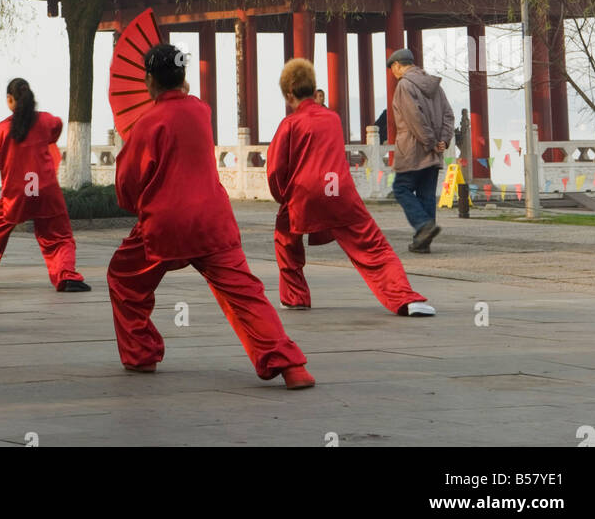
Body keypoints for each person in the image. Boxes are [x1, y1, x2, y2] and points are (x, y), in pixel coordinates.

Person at [107, 43, 315, 389]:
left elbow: (127, 182)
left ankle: (141, 354)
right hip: (212, 221)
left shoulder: (147, 123)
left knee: (123, 277)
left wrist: (136, 206)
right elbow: (185, 104)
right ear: (183, 78)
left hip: (165, 225)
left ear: (148, 80)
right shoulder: (200, 111)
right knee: (244, 294)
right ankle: (292, 366)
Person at [267, 58, 435, 317]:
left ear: (289, 93)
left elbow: (277, 168)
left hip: (303, 192)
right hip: (338, 190)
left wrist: (283, 197)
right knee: (372, 245)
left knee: (286, 239)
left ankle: (295, 297)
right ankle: (406, 299)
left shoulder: (289, 124)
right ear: (314, 90)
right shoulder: (332, 118)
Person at [0, 78, 90, 293]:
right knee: (59, 236)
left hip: (16, 195)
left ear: (10, 100)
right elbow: (57, 126)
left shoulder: (2, 130)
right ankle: (66, 276)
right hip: (46, 191)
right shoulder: (45, 121)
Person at [387, 48, 455, 252]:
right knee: (426, 193)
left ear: (398, 65)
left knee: (401, 188)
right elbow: (448, 115)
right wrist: (443, 140)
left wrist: (431, 141)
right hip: (433, 152)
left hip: (413, 150)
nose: (393, 73)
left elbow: (414, 119)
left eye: (392, 69)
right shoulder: (435, 86)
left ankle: (423, 225)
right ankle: (422, 241)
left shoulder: (405, 86)